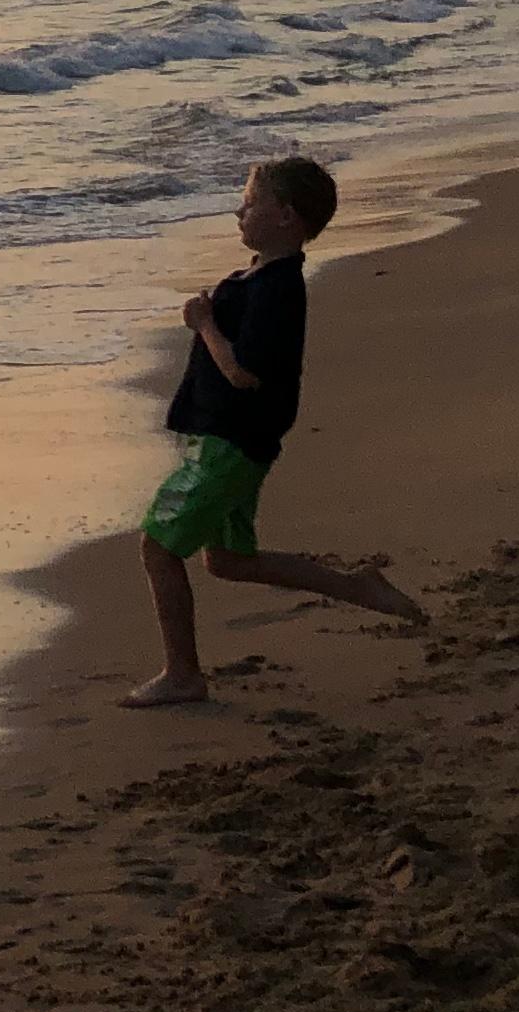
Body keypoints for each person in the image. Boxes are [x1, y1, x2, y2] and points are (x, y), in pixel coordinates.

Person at [125, 155, 424, 709]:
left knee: (159, 549)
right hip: (231, 444)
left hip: (227, 446)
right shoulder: (260, 276)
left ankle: (183, 674)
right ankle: (356, 585)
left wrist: (204, 324)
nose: (240, 210)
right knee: (228, 560)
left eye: (251, 202)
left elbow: (243, 372)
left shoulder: (277, 288)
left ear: (285, 216)